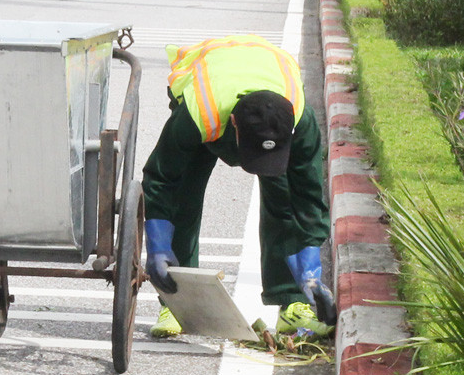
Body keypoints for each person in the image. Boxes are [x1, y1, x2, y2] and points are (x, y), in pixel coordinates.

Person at [141, 35, 335, 340]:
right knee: (181, 199)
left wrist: (311, 275)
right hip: (210, 83)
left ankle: (294, 302)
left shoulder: (300, 120)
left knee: (285, 199)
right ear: (233, 125)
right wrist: (157, 246)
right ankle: (175, 301)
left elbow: (308, 199)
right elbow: (163, 179)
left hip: (262, 79)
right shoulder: (198, 115)